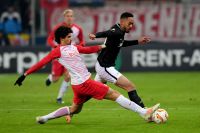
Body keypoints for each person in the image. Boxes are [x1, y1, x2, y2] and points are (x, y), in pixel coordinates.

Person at [14, 26, 160, 124]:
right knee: (114, 94)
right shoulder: (57, 51)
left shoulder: (73, 47)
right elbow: (41, 63)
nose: (71, 39)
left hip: (79, 85)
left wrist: (103, 46)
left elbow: (88, 50)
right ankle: (144, 112)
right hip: (84, 84)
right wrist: (25, 74)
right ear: (62, 38)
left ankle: (45, 118)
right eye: (69, 37)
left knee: (74, 110)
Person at [89, 12, 151, 108]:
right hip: (105, 67)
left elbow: (121, 43)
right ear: (122, 22)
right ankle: (145, 111)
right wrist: (95, 35)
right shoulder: (116, 32)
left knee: (90, 91)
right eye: (129, 23)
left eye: (132, 24)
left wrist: (137, 41)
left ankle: (72, 110)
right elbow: (107, 33)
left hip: (102, 65)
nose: (131, 26)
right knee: (130, 86)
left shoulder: (119, 31)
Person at [45, 9, 85, 104]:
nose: (69, 18)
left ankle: (59, 97)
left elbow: (82, 41)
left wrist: (80, 47)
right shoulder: (58, 28)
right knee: (56, 79)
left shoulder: (78, 29)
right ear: (64, 17)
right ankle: (51, 77)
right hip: (58, 54)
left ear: (73, 17)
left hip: (70, 55)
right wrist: (55, 47)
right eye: (67, 16)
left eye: (71, 16)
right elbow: (50, 39)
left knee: (68, 76)